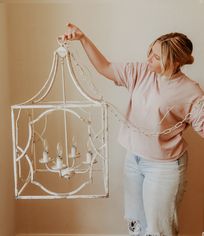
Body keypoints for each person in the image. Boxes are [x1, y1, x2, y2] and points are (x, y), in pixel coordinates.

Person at [60, 23, 204, 236]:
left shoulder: (191, 91)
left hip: (164, 167)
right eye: (150, 52)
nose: (149, 59)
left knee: (159, 231)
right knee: (135, 225)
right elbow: (105, 67)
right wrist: (83, 38)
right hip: (133, 160)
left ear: (176, 61)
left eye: (156, 57)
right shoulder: (141, 72)